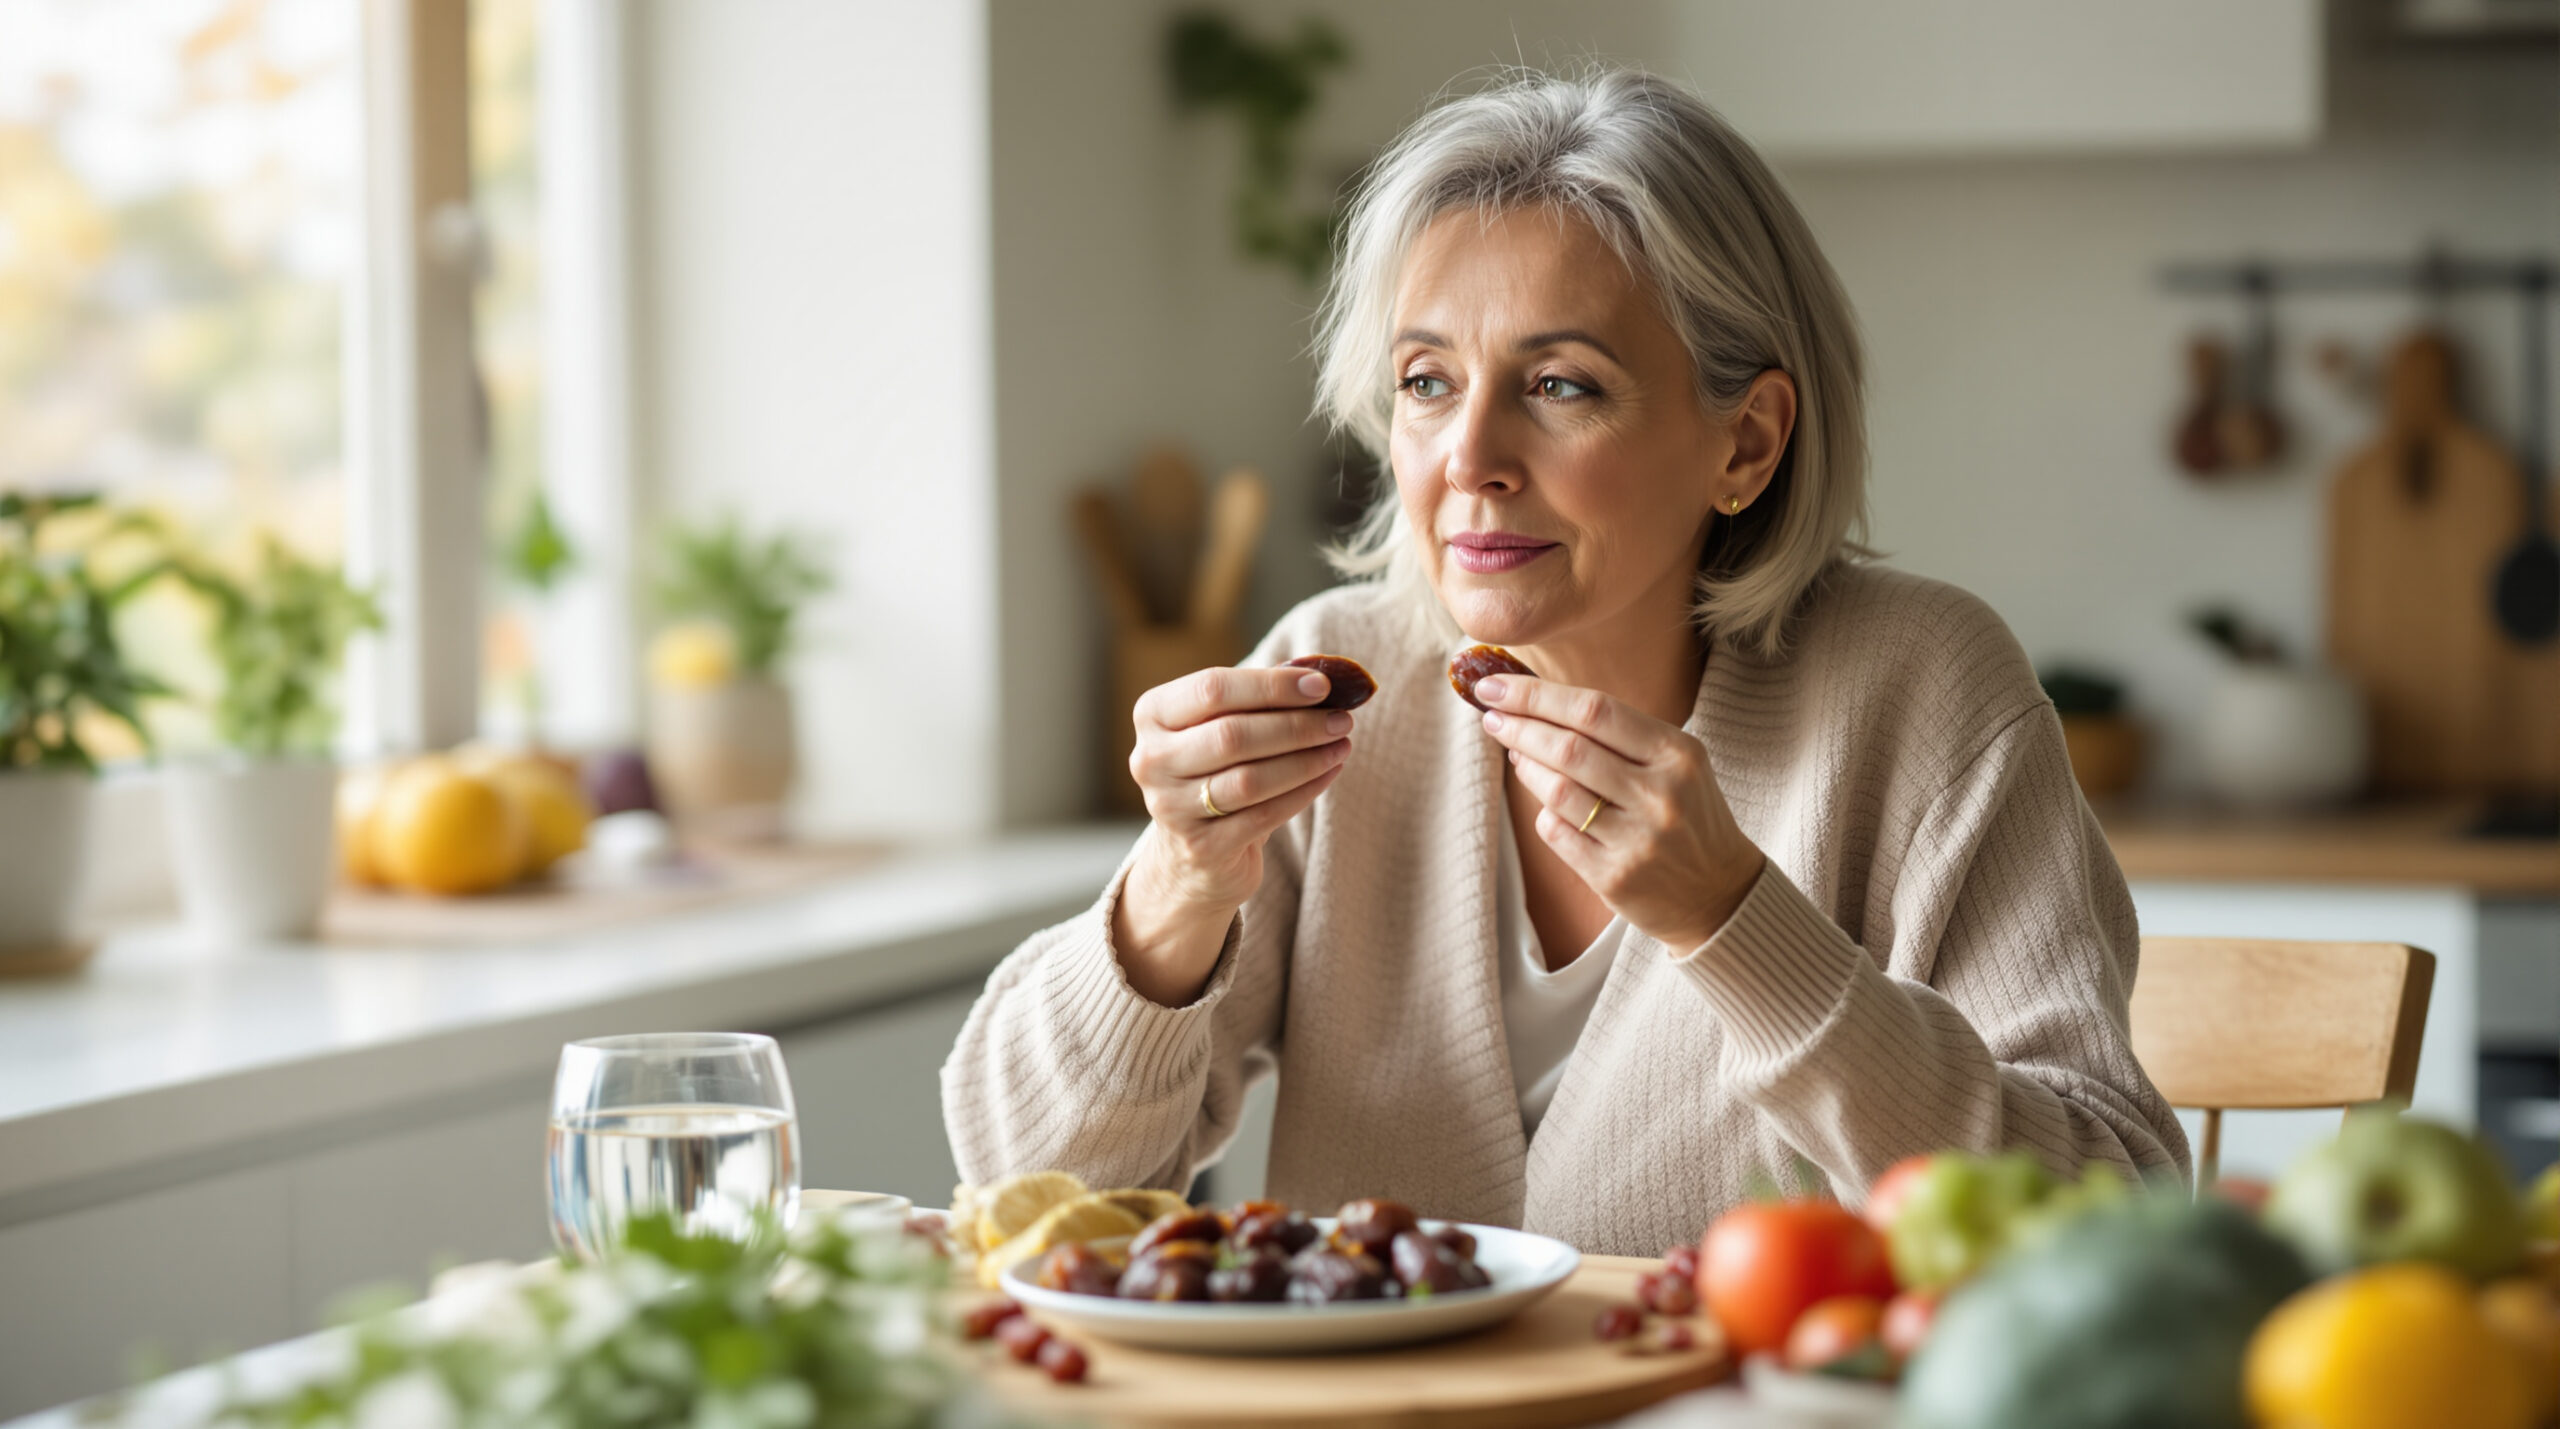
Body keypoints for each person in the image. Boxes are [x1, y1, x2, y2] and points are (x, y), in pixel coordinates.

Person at [943, 66, 2187, 1256]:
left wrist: (1735, 922)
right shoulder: (1337, 672)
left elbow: (2108, 1215)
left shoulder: (1918, 686)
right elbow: (1020, 1188)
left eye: (1560, 384)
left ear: (1744, 445)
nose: (1467, 454)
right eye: (1426, 380)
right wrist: (1177, 883)